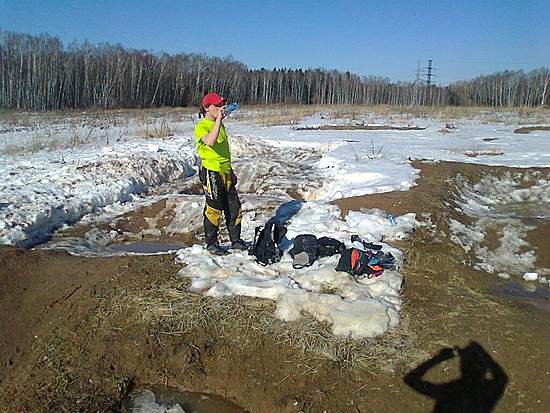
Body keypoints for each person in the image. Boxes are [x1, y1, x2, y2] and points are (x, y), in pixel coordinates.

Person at [194, 92, 247, 255]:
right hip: (211, 171)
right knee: (214, 208)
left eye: (221, 105)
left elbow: (223, 151)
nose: (220, 108)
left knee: (234, 207)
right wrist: (218, 120)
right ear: (206, 108)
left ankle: (235, 241)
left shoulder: (220, 125)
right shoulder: (201, 126)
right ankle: (211, 243)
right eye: (216, 105)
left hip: (225, 171)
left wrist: (230, 171)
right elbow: (210, 141)